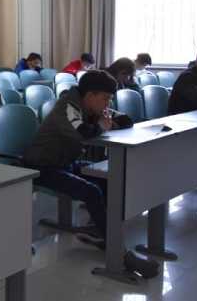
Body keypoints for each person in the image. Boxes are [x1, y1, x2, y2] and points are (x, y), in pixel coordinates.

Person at [23, 70, 158, 277]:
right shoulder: (68, 107)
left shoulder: (90, 106)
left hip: (64, 163)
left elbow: (126, 120)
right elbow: (82, 132)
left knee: (110, 180)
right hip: (41, 166)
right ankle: (120, 254)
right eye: (105, 98)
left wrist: (106, 123)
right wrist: (102, 126)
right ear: (90, 95)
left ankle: (102, 233)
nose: (107, 103)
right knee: (91, 191)